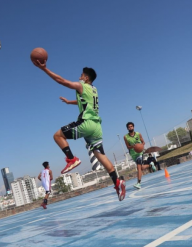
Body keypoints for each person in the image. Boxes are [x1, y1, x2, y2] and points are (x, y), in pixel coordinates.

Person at [33, 61, 126, 201]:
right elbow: (83, 102)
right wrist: (69, 102)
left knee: (57, 135)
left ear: (86, 78)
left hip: (86, 123)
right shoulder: (94, 90)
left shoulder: (81, 85)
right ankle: (117, 182)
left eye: (82, 75)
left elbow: (61, 81)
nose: (79, 76)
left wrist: (44, 68)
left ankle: (72, 158)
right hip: (97, 127)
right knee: (101, 156)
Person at [124, 122, 150, 189]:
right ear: (127, 128)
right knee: (141, 168)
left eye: (131, 126)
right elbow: (128, 146)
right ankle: (150, 165)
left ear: (133, 127)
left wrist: (141, 146)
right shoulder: (125, 137)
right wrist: (133, 146)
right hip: (133, 154)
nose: (130, 128)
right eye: (129, 127)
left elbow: (143, 142)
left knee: (138, 167)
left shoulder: (138, 134)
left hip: (139, 153)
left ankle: (138, 183)